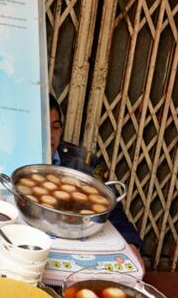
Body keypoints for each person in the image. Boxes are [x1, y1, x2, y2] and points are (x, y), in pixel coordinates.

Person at [49, 94, 144, 253]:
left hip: (75, 245)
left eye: (55, 126)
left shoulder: (84, 162)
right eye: (42, 125)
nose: (51, 134)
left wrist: (131, 243)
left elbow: (111, 208)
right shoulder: (8, 161)